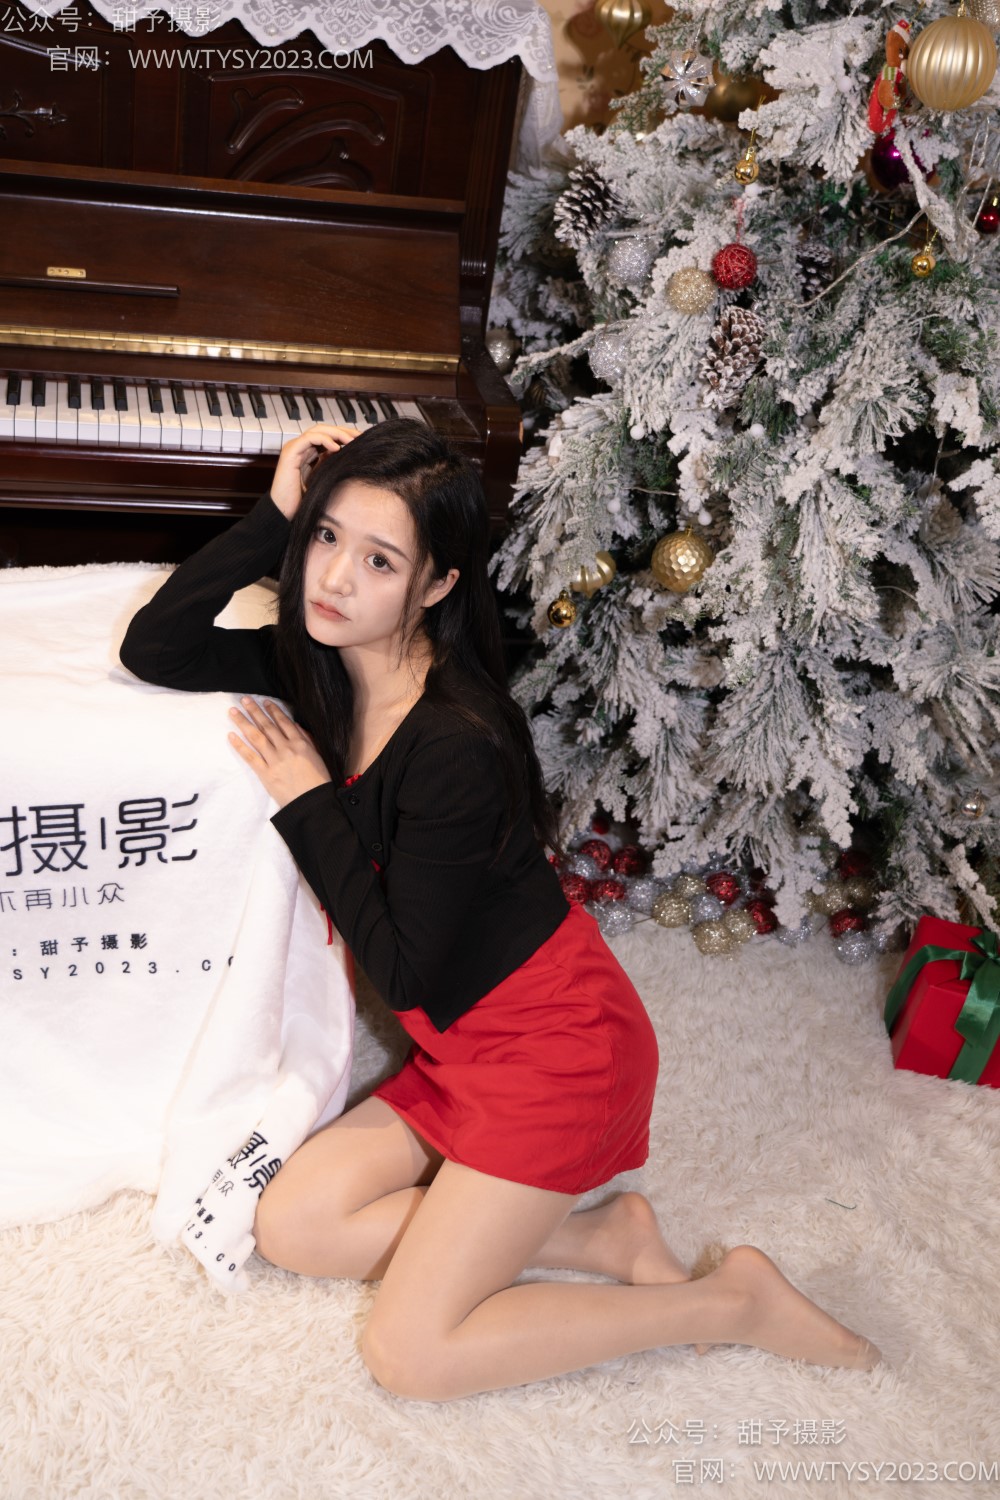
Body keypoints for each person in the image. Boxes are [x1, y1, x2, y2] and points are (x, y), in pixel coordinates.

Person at [120, 417, 881, 1401]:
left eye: (380, 560)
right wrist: (275, 517)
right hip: (461, 1054)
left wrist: (309, 802)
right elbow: (156, 647)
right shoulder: (322, 670)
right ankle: (603, 1237)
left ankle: (729, 1303)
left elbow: (403, 975)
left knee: (411, 1355)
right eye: (327, 537)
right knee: (293, 1225)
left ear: (437, 586)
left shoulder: (455, 744)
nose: (335, 578)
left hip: (560, 1059)